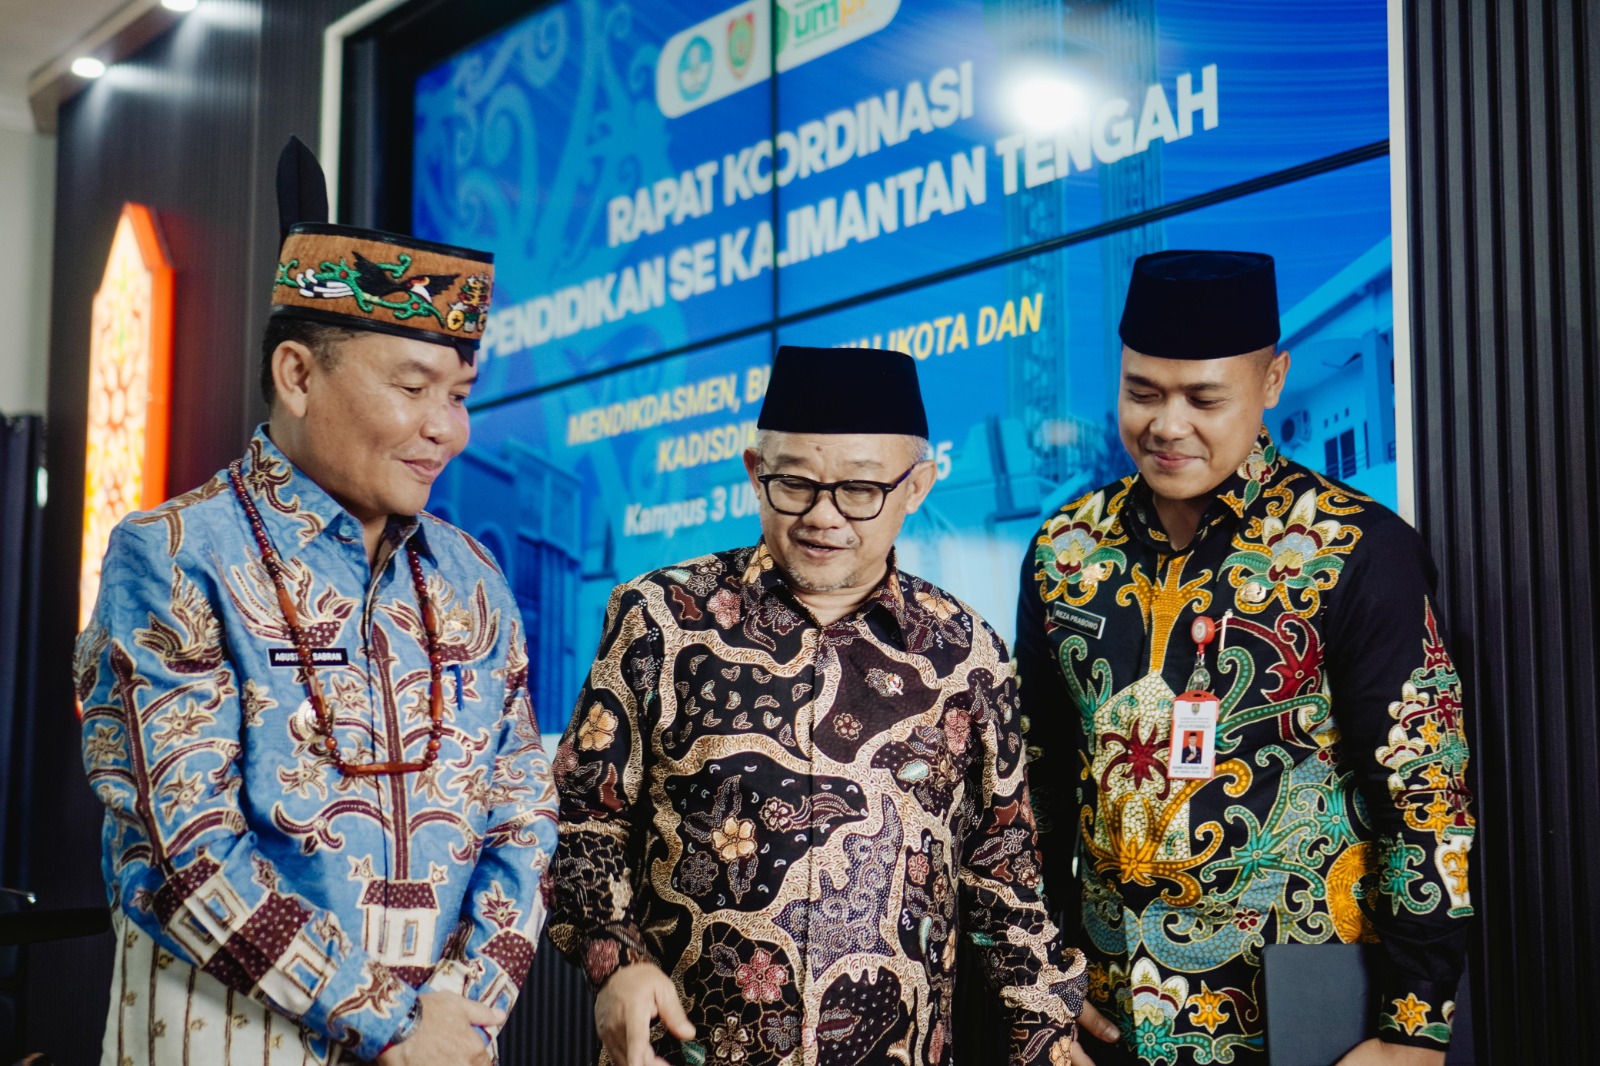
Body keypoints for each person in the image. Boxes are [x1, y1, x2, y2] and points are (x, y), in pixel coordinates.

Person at [77, 139, 558, 1066]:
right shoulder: (176, 555)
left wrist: (463, 1016)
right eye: (413, 388)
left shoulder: (472, 577)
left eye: (459, 395)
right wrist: (392, 1023)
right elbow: (180, 852)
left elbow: (522, 816)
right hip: (230, 1035)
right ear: (298, 376)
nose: (446, 429)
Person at [547, 346, 1114, 1066]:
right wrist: (616, 963)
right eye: (794, 484)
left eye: (860, 489)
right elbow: (583, 818)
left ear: (916, 487)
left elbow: (1002, 866)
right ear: (754, 472)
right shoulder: (660, 618)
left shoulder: (965, 654)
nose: (823, 516)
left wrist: (1043, 1021)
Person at [1017, 251, 1475, 1066]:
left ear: (1272, 382)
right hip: (1109, 1012)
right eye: (1142, 392)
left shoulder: (1352, 548)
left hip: (1299, 1015)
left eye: (1204, 398)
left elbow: (1424, 790)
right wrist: (1042, 976)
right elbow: (1036, 782)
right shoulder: (1065, 550)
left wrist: (1415, 1026)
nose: (1167, 426)